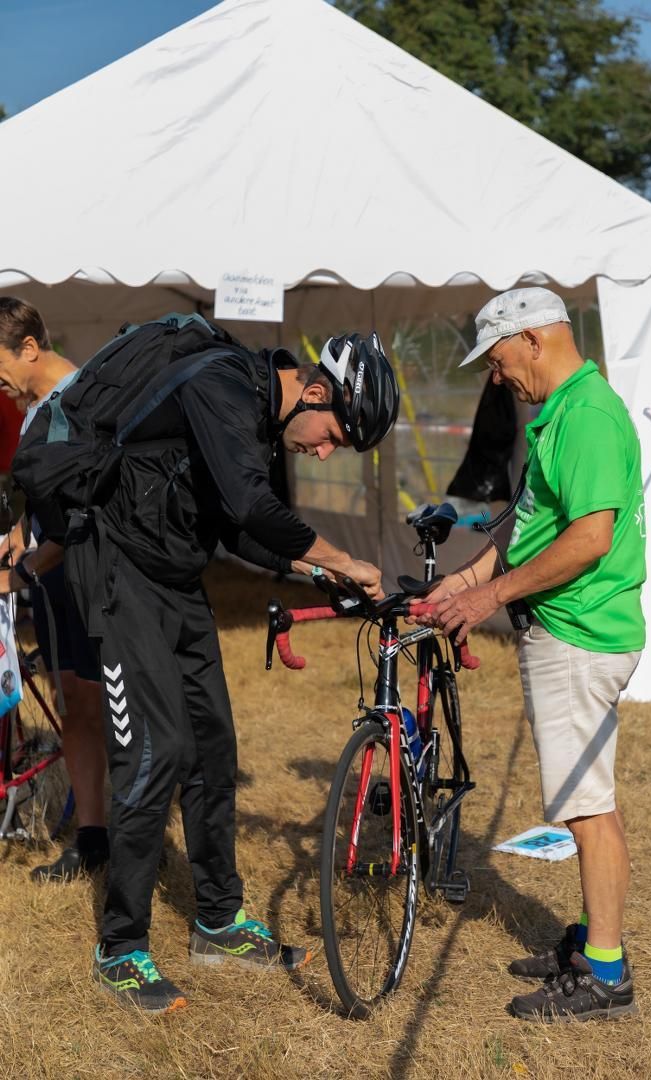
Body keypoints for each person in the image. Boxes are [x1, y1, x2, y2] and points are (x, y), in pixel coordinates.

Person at [26, 322, 399, 1014]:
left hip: (172, 573)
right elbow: (253, 506)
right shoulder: (220, 383)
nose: (321, 453)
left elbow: (233, 528)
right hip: (114, 570)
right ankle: (121, 948)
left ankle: (218, 922)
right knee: (152, 751)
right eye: (332, 437)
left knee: (213, 748)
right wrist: (343, 556)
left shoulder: (255, 409)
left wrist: (313, 568)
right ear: (316, 392)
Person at [415, 287, 645, 1022]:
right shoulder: (562, 415)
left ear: (536, 340)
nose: (495, 375)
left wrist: (491, 596)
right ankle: (592, 942)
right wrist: (468, 580)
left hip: (579, 635)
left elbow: (590, 538)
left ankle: (605, 972)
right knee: (585, 802)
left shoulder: (585, 415)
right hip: (570, 631)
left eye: (499, 357)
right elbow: (533, 523)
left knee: (586, 808)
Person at [0, 298, 108, 881]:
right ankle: (92, 837)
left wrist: (16, 573)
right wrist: (15, 534)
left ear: (30, 348)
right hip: (51, 573)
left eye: (0, 366)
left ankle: (125, 840)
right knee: (75, 707)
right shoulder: (37, 402)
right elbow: (45, 497)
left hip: (83, 574)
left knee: (100, 707)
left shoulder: (84, 397)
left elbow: (79, 514)